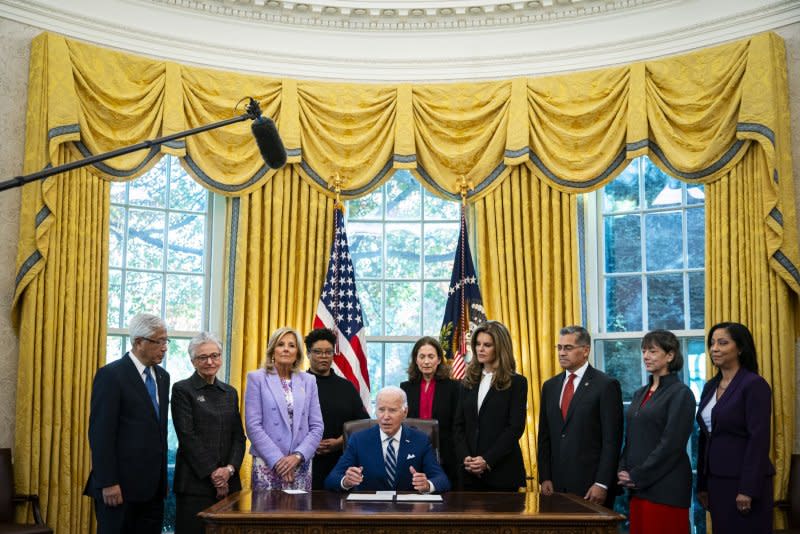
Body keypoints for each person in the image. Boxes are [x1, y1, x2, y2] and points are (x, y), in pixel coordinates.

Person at [84, 313, 171, 534]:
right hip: (119, 488)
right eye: (158, 341)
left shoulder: (163, 377)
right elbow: (100, 434)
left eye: (165, 341)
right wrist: (108, 482)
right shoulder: (111, 375)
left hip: (153, 491)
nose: (164, 347)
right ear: (138, 342)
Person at [696, 322, 774, 533]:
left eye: (722, 343)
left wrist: (748, 489)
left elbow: (758, 439)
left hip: (745, 482)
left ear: (740, 348)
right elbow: (705, 437)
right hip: (716, 482)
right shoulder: (710, 386)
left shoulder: (753, 384)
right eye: (712, 343)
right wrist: (702, 484)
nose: (715, 348)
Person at [617, 330, 696, 534]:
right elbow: (631, 438)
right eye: (643, 351)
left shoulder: (681, 393)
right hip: (638, 488)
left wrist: (637, 475)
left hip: (666, 488)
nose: (645, 356)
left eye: (652, 351)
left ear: (670, 356)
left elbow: (671, 445)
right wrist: (623, 469)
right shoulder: (639, 393)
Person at [537, 325, 623, 507]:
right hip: (556, 487)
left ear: (585, 351)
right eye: (559, 348)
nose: (561, 353)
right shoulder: (550, 386)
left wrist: (602, 483)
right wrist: (544, 477)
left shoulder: (606, 385)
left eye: (568, 348)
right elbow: (544, 437)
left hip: (591, 487)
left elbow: (612, 441)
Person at [171, 332, 246, 534]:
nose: (210, 362)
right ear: (193, 361)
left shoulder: (230, 392)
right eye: (203, 357)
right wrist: (214, 475)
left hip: (230, 484)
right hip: (195, 485)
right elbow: (187, 436)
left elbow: (239, 437)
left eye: (215, 355)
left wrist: (228, 470)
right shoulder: (182, 390)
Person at [324, 386, 451, 493]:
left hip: (408, 513)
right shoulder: (359, 439)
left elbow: (442, 479)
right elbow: (331, 479)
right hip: (369, 512)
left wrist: (427, 485)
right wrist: (346, 481)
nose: (385, 417)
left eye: (392, 410)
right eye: (381, 410)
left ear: (405, 412)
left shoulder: (420, 440)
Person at [452, 321, 528, 491]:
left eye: (487, 345)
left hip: (502, 473)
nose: (480, 349)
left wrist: (486, 460)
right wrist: (466, 458)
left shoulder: (517, 383)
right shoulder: (466, 382)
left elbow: (515, 428)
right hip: (468, 474)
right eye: (478, 344)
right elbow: (458, 426)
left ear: (500, 348)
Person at [245, 326, 323, 491]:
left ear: (298, 353)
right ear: (273, 350)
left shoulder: (309, 381)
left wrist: (297, 456)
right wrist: (278, 460)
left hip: (300, 463)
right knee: (266, 513)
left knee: (298, 514)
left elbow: (317, 426)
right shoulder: (256, 378)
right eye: (281, 344)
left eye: (291, 345)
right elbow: (253, 425)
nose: (286, 349)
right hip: (268, 462)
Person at [305, 328, 370, 490]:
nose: (323, 356)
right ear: (308, 353)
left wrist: (340, 442)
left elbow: (363, 424)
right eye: (318, 352)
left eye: (328, 352)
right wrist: (309, 444)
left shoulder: (346, 387)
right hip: (303, 462)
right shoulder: (298, 384)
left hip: (341, 463)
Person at [400, 336, 460, 487]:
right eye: (422, 356)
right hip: (414, 452)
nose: (426, 361)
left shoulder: (454, 387)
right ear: (416, 359)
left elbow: (458, 424)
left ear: (439, 360)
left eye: (431, 356)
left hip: (446, 454)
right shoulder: (406, 387)